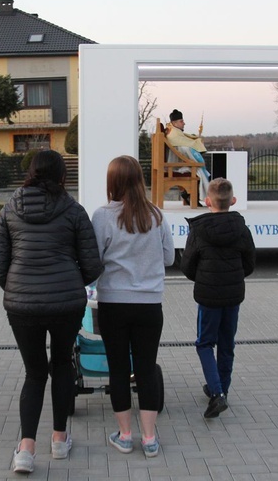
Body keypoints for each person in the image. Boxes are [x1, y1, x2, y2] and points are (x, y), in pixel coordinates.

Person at [0, 149, 102, 474]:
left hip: (21, 306)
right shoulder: (73, 209)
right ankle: (59, 439)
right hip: (67, 303)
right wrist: (70, 283)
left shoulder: (10, 208)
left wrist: (17, 288)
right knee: (62, 364)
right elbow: (92, 265)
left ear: (30, 173)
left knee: (34, 373)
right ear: (61, 176)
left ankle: (26, 449)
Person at [91, 155, 175, 458]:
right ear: (140, 180)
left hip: (113, 303)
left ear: (112, 182)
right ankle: (150, 438)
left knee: (118, 368)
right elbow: (169, 259)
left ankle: (125, 435)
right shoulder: (157, 215)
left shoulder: (102, 216)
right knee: (146, 369)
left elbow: (94, 259)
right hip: (150, 305)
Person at [179, 178, 256, 418]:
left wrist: (203, 279)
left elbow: (187, 265)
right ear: (233, 200)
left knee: (204, 343)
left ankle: (217, 393)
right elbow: (249, 264)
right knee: (226, 344)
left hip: (208, 296)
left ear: (207, 201)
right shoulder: (241, 228)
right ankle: (221, 387)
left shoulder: (199, 230)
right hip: (233, 296)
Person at [165, 109, 210, 205]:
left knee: (199, 170)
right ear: (174, 122)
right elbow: (186, 146)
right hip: (175, 166)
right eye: (181, 121)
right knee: (198, 171)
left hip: (176, 163)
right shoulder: (174, 134)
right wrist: (198, 142)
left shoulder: (173, 130)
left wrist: (195, 138)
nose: (184, 123)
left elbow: (185, 140)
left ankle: (187, 195)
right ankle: (192, 199)